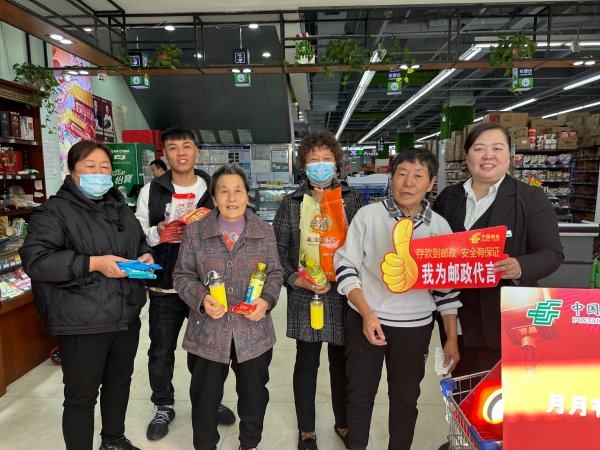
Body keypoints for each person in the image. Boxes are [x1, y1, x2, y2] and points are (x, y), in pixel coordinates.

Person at [19, 140, 153, 450]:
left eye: (105, 167)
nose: (99, 173)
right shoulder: (53, 212)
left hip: (125, 315)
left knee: (119, 383)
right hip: (81, 320)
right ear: (72, 171)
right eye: (90, 166)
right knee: (81, 397)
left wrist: (144, 255)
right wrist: (93, 263)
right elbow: (37, 261)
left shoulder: (120, 208)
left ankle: (113, 440)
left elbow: (138, 242)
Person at [334, 148, 461, 450]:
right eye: (402, 174)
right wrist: (367, 313)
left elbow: (447, 292)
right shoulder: (368, 216)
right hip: (365, 320)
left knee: (405, 400)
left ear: (431, 183)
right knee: (359, 395)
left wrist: (452, 339)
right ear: (392, 178)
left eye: (418, 176)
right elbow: (346, 267)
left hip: (414, 328)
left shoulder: (440, 228)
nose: (408, 183)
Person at [433, 122, 564, 377]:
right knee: (462, 388)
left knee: (500, 393)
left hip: (505, 318)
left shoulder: (530, 198)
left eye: (497, 148)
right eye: (479, 148)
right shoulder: (449, 198)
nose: (488, 156)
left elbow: (552, 253)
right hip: (455, 317)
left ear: (509, 155)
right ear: (467, 156)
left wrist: (519, 266)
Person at [173, 163, 284, 450]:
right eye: (224, 191)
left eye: (238, 190)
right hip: (208, 332)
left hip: (253, 331)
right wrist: (201, 298)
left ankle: (249, 443)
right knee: (205, 398)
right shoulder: (195, 232)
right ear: (213, 197)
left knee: (254, 396)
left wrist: (266, 300)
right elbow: (182, 275)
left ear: (247, 195)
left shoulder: (263, 230)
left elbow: (275, 273)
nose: (232, 198)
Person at [135, 127, 235, 441]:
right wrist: (158, 231)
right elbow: (138, 234)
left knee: (208, 351)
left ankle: (210, 400)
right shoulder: (151, 191)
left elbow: (232, 223)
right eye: (173, 147)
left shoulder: (213, 187)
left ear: (196, 151)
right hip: (165, 285)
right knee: (161, 350)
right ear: (164, 153)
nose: (181, 153)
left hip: (206, 287)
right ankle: (163, 404)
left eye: (187, 146)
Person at [273, 131, 365, 450]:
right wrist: (296, 279)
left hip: (344, 294)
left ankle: (343, 422)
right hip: (305, 294)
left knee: (341, 364)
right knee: (306, 363)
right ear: (304, 165)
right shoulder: (292, 203)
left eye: (327, 159)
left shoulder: (353, 200)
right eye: (314, 160)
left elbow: (365, 246)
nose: (321, 165)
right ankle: (307, 430)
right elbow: (278, 250)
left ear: (337, 165)